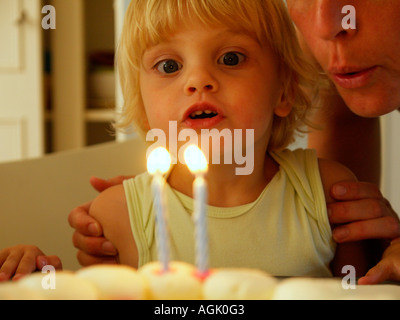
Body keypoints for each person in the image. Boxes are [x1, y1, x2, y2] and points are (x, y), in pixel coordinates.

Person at [68, 0, 374, 277]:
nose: (198, 80)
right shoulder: (118, 216)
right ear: (143, 107)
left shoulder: (330, 195)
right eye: (169, 66)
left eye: (230, 58)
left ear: (284, 90)